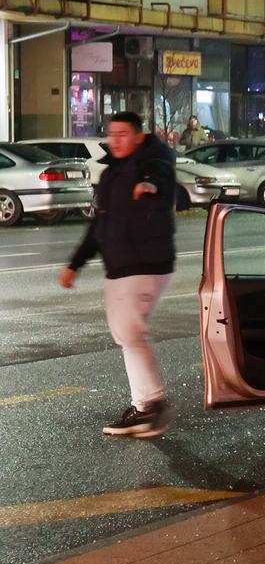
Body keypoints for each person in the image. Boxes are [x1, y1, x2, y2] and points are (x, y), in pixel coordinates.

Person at [58, 112, 180, 439]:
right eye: (112, 134)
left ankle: (152, 405)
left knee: (130, 331)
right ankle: (143, 407)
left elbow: (163, 179)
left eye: (123, 134)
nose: (116, 140)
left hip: (145, 262)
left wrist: (150, 184)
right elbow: (99, 225)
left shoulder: (151, 161)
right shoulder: (112, 173)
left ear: (139, 136)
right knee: (125, 334)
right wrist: (75, 264)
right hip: (119, 265)